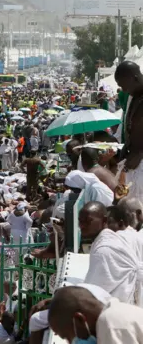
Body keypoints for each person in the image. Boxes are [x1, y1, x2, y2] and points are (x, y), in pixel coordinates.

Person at [79, 201, 142, 305]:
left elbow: (92, 295)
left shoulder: (104, 250)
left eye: (87, 221)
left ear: (104, 221)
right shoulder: (107, 240)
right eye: (80, 221)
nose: (82, 225)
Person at [48, 285, 143, 344]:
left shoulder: (110, 325)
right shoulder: (117, 311)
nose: (69, 342)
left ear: (79, 320)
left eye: (67, 337)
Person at [115, 60, 143, 199]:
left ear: (135, 78)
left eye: (124, 85)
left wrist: (141, 153)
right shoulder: (133, 97)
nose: (124, 90)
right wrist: (127, 146)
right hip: (133, 162)